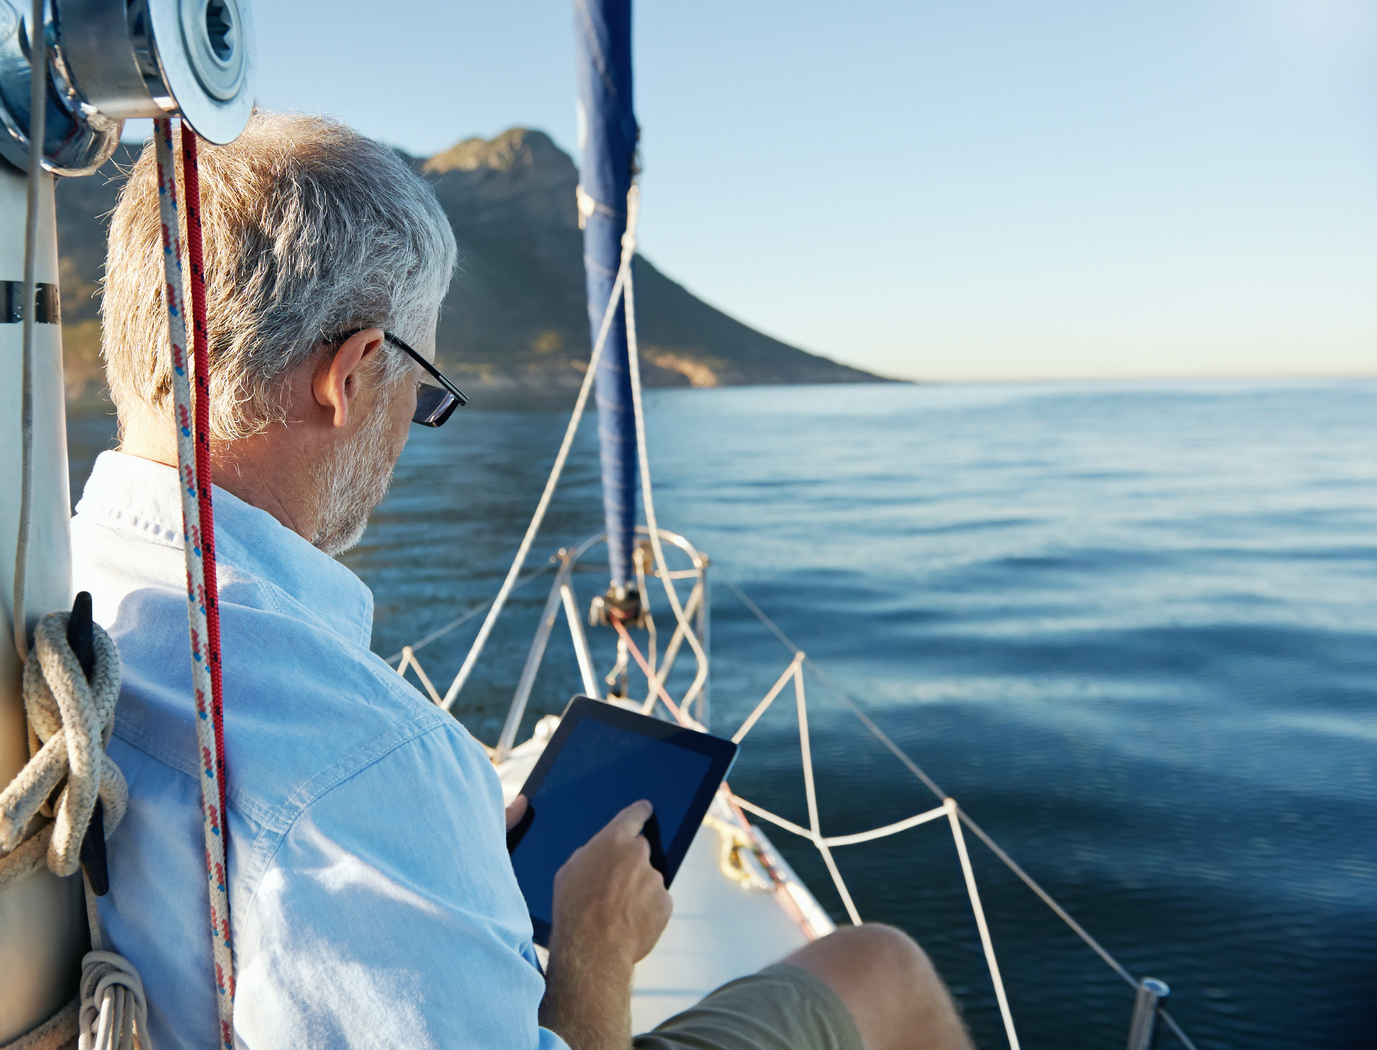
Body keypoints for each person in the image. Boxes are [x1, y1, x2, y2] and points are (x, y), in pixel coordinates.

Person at [74, 110, 973, 1050]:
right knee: (880, 965)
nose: (411, 427)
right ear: (354, 373)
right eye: (423, 392)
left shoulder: (49, 603)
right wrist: (594, 947)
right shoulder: (370, 770)